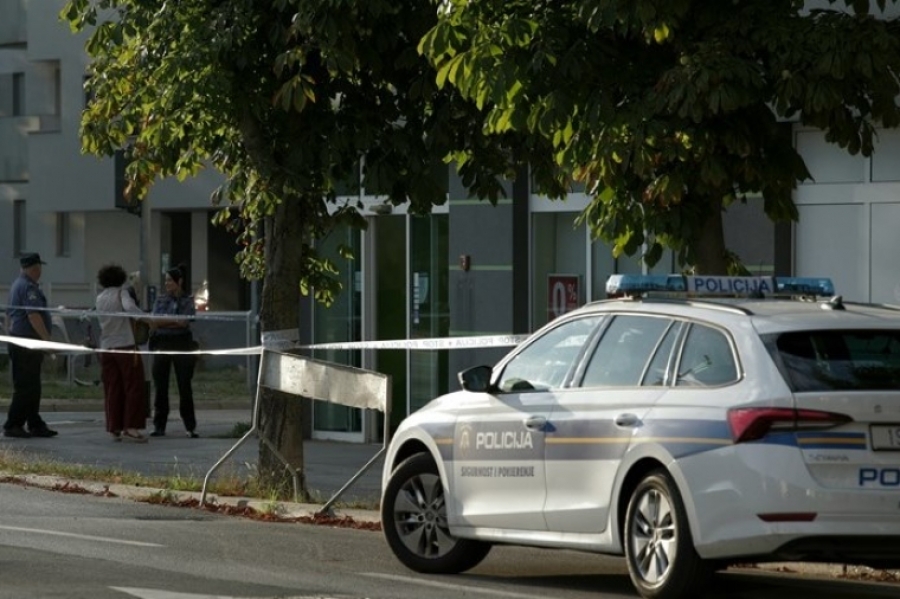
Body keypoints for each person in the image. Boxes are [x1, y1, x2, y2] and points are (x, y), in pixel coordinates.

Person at [3, 252, 57, 438]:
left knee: (32, 385)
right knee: (26, 386)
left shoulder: (17, 285)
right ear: (35, 268)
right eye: (38, 267)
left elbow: (9, 316)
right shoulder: (28, 287)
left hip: (22, 341)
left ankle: (35, 422)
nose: (40, 271)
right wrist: (47, 340)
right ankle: (13, 424)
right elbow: (33, 316)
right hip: (26, 343)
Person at [95, 263, 149, 443]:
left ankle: (114, 426)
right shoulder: (122, 293)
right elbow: (130, 308)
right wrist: (147, 318)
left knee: (112, 387)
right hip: (125, 345)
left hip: (106, 346)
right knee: (133, 386)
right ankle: (131, 427)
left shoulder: (100, 298)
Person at [148, 263, 198, 437]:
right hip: (162, 343)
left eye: (170, 280)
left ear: (179, 281)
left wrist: (168, 321)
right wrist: (174, 321)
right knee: (160, 386)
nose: (167, 283)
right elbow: (155, 321)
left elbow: (185, 321)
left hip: (182, 343)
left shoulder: (187, 300)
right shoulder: (161, 300)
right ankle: (159, 426)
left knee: (184, 385)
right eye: (166, 280)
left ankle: (190, 426)